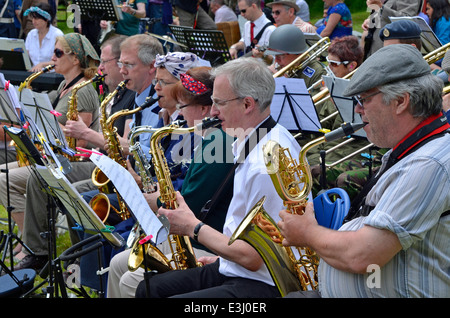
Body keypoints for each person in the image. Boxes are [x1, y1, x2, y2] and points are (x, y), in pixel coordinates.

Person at [279, 44, 449, 298]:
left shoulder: (429, 163)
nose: (357, 109)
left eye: (363, 99)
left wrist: (307, 233)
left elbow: (364, 255)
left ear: (401, 101)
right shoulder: (410, 150)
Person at [134, 57, 302, 298]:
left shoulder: (264, 165)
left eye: (219, 103)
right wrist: (223, 258)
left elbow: (254, 259)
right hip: (239, 268)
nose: (212, 112)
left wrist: (193, 227)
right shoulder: (257, 139)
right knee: (149, 289)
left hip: (264, 283)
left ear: (247, 104)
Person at [107, 66, 235, 298]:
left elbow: (192, 205)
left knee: (131, 279)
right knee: (118, 263)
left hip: (206, 241)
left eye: (182, 107)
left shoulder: (219, 143)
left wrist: (151, 199)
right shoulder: (212, 139)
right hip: (196, 234)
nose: (179, 115)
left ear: (205, 109)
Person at [23, 3, 63, 71]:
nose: (33, 21)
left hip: (53, 75)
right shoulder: (31, 34)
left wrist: (42, 64)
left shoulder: (57, 35)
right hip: (34, 74)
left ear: (46, 19)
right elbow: (25, 57)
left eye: (37, 18)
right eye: (33, 18)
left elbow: (61, 60)